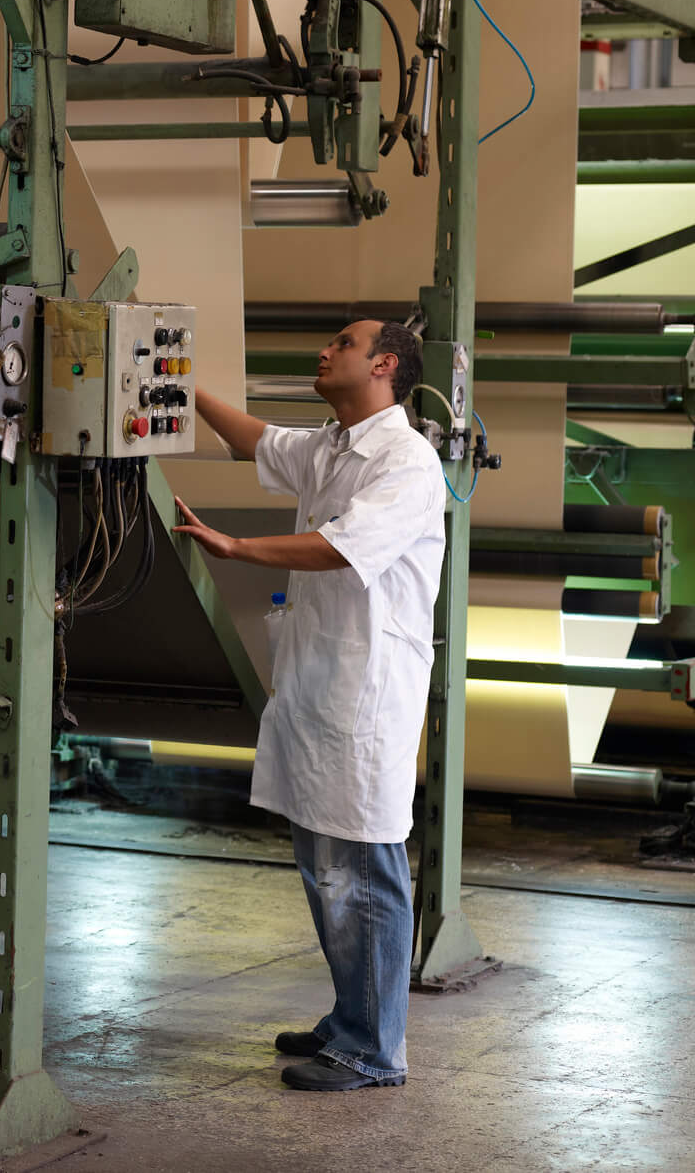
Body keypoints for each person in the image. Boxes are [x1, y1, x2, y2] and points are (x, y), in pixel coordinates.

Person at [172, 319, 446, 1093]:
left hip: (366, 695)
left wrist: (239, 547)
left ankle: (374, 1050)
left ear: (384, 364)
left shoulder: (407, 461)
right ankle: (350, 1015)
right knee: (326, 868)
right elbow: (255, 439)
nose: (324, 350)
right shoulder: (332, 445)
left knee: (362, 869)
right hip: (319, 685)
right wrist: (167, 380)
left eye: (343, 343)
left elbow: (342, 544)